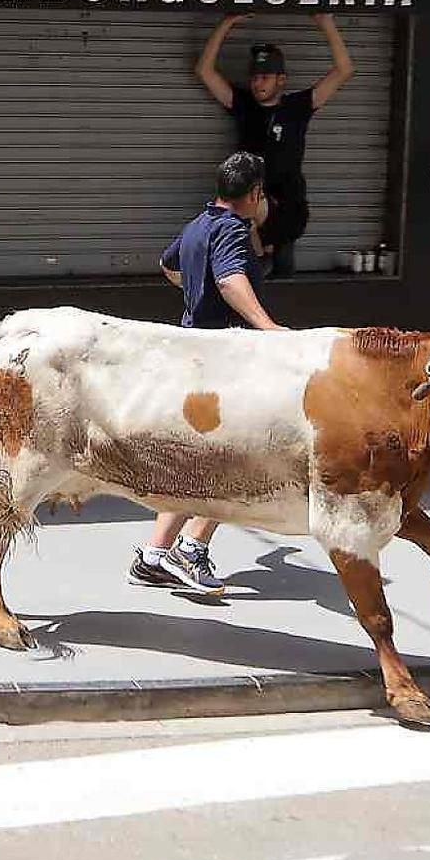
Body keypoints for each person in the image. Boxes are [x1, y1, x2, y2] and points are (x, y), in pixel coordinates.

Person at [134, 151, 286, 594]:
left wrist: (193, 291)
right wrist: (269, 328)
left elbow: (169, 266)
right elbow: (229, 280)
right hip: (225, 362)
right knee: (236, 465)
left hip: (193, 354)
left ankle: (156, 553)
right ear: (255, 193)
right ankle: (190, 548)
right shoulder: (232, 230)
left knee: (200, 461)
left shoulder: (199, 224)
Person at [195, 13, 354, 277]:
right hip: (251, 207)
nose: (258, 83)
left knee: (284, 280)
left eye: (266, 77)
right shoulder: (243, 104)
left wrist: (325, 22)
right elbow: (204, 71)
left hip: (288, 208)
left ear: (281, 79)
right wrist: (226, 23)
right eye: (255, 77)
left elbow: (344, 70)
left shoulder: (297, 107)